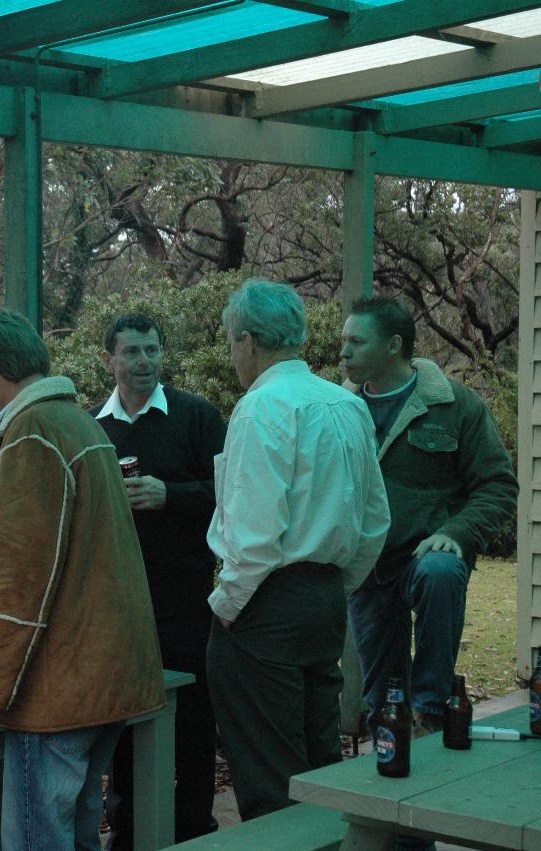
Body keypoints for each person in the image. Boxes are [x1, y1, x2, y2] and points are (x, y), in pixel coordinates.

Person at [0, 308, 165, 851]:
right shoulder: (77, 420)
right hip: (109, 673)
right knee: (80, 829)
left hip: (59, 687)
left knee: (37, 838)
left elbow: (24, 582)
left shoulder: (31, 433)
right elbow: (62, 529)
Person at [206, 280, 389, 820]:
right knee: (320, 765)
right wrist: (332, 583)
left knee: (271, 779)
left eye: (233, 343)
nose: (234, 355)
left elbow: (255, 536)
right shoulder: (346, 405)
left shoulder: (262, 407)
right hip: (325, 600)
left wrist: (226, 608)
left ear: (249, 340)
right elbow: (374, 520)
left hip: (266, 603)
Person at [340, 296, 517, 736]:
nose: (343, 352)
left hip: (425, 553)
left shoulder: (455, 405)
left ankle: (432, 710)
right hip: (367, 564)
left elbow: (498, 485)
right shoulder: (337, 410)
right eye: (344, 341)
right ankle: (389, 752)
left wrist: (457, 531)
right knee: (381, 698)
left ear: (393, 346)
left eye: (356, 342)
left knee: (440, 571)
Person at [90, 313, 225, 848]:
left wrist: (172, 495)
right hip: (119, 603)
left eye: (152, 350)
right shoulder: (95, 428)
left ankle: (195, 830)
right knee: (125, 723)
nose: (144, 362)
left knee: (192, 721)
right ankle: (128, 833)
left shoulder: (196, 416)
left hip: (187, 597)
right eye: (132, 352)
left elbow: (234, 495)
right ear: (110, 360)